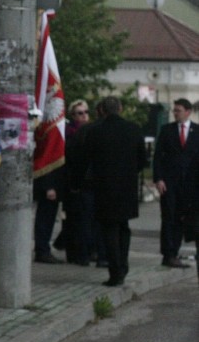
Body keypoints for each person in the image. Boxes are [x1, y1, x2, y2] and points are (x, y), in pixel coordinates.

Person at [82, 96, 146, 287]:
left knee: (109, 230)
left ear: (102, 110)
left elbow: (87, 159)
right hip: (126, 187)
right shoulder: (133, 129)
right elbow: (142, 160)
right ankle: (123, 266)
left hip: (104, 187)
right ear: (120, 108)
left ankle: (115, 270)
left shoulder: (95, 131)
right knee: (123, 227)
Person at [152, 98, 198, 268]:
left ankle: (176, 251)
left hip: (190, 185)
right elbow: (158, 157)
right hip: (170, 184)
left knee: (184, 218)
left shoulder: (197, 131)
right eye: (174, 110)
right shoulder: (167, 130)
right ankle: (168, 253)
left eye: (178, 110)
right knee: (169, 218)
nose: (175, 113)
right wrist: (158, 178)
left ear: (188, 111)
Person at [62, 99, 96, 266]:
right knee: (75, 220)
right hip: (74, 184)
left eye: (86, 112)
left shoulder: (92, 131)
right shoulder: (69, 133)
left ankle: (88, 251)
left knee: (88, 220)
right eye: (80, 113)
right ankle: (76, 252)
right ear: (73, 116)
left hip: (89, 184)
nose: (84, 116)